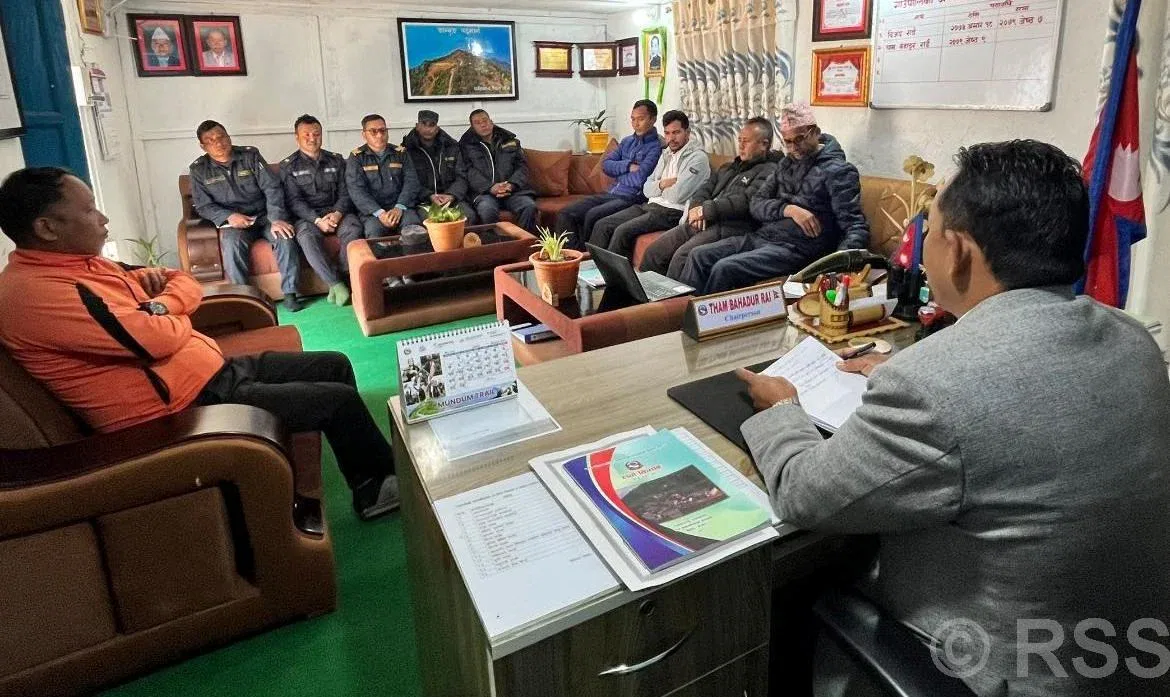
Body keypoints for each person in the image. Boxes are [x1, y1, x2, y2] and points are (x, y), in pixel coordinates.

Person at [736, 140, 1170, 697]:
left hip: (989, 670)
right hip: (1129, 660)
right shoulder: (1133, 340)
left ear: (959, 251)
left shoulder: (931, 386)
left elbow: (802, 493)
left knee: (791, 591)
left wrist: (782, 408)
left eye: (931, 228)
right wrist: (912, 367)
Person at [0, 168, 402, 532]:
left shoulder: (86, 265)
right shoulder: (38, 294)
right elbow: (154, 340)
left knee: (334, 364)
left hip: (206, 371)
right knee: (338, 401)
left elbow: (181, 281)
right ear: (47, 228)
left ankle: (366, 470)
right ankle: (377, 488)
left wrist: (160, 307)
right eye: (89, 210)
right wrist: (163, 315)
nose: (103, 218)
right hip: (178, 407)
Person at [680, 103, 868, 295]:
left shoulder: (839, 172)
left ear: (815, 133)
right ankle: (682, 311)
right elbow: (756, 203)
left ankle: (709, 314)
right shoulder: (786, 164)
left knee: (725, 268)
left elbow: (854, 225)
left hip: (798, 247)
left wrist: (839, 266)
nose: (794, 148)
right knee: (699, 255)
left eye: (799, 139)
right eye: (788, 142)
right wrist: (788, 210)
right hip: (763, 237)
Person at [640, 118, 781, 280]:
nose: (741, 146)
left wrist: (706, 210)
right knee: (655, 251)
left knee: (682, 257)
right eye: (740, 140)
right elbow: (705, 188)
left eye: (746, 141)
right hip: (703, 220)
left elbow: (747, 201)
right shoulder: (729, 167)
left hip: (732, 227)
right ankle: (645, 295)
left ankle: (676, 297)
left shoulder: (770, 171)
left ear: (764, 144)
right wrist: (696, 207)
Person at [189, 120, 304, 312]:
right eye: (211, 140)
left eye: (221, 137)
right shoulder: (199, 170)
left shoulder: (250, 155)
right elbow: (203, 206)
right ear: (203, 146)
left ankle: (290, 293)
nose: (218, 143)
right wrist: (229, 216)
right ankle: (244, 298)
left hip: (265, 215)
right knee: (231, 244)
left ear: (228, 137)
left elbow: (272, 187)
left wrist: (276, 218)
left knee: (285, 236)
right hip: (234, 222)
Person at [588, 110, 709, 258]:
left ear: (687, 132)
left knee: (622, 231)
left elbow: (677, 195)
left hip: (671, 212)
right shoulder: (666, 153)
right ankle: (592, 269)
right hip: (650, 205)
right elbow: (646, 188)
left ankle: (614, 273)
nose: (671, 138)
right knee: (603, 224)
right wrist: (662, 184)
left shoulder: (698, 159)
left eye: (676, 132)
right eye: (667, 133)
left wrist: (658, 187)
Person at [556, 99, 662, 248]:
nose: (635, 124)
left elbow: (640, 179)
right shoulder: (626, 141)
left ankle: (587, 257)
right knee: (566, 214)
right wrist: (628, 166)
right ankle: (573, 256)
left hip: (631, 198)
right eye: (633, 119)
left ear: (653, 119)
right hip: (610, 193)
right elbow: (606, 165)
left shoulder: (656, 147)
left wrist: (618, 172)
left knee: (593, 215)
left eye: (641, 119)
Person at [279, 114, 359, 305]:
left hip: (336, 212)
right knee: (306, 237)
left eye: (316, 134)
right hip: (308, 217)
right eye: (306, 135)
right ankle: (336, 283)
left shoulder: (336, 160)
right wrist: (317, 220)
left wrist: (337, 213)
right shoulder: (288, 166)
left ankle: (344, 274)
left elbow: (346, 192)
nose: (312, 139)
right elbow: (294, 201)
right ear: (297, 137)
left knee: (354, 228)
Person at [344, 114, 421, 253]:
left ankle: (411, 266)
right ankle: (385, 267)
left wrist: (399, 207)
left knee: (413, 228)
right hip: (372, 212)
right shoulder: (356, 158)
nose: (379, 135)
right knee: (374, 231)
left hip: (401, 207)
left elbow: (411, 182)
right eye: (373, 131)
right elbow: (356, 191)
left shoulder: (401, 153)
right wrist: (379, 213)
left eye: (383, 130)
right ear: (364, 135)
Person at [460, 109, 538, 232]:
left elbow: (522, 166)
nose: (483, 125)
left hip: (513, 191)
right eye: (477, 123)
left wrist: (511, 184)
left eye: (485, 120)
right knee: (487, 210)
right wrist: (490, 188)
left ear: (491, 122)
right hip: (484, 193)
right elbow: (469, 172)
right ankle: (495, 243)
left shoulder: (510, 141)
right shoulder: (465, 146)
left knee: (529, 206)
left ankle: (524, 241)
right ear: (472, 127)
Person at [402, 110, 475, 225]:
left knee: (468, 216)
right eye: (424, 124)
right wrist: (429, 196)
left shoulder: (452, 147)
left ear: (437, 128)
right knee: (432, 221)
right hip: (424, 201)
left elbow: (462, 176)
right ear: (417, 126)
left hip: (452, 199)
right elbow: (409, 182)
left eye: (432, 125)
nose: (428, 129)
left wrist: (451, 195)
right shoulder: (407, 151)